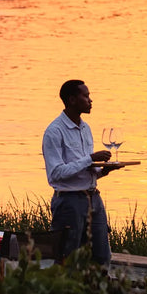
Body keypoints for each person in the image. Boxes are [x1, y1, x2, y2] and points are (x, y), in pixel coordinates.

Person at [41, 79, 123, 264]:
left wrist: (103, 171)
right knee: (68, 258)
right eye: (86, 96)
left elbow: (83, 169)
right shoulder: (54, 131)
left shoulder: (86, 128)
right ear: (72, 100)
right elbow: (56, 174)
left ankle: (98, 283)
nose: (90, 100)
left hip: (93, 199)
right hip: (69, 202)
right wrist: (91, 158)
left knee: (102, 257)